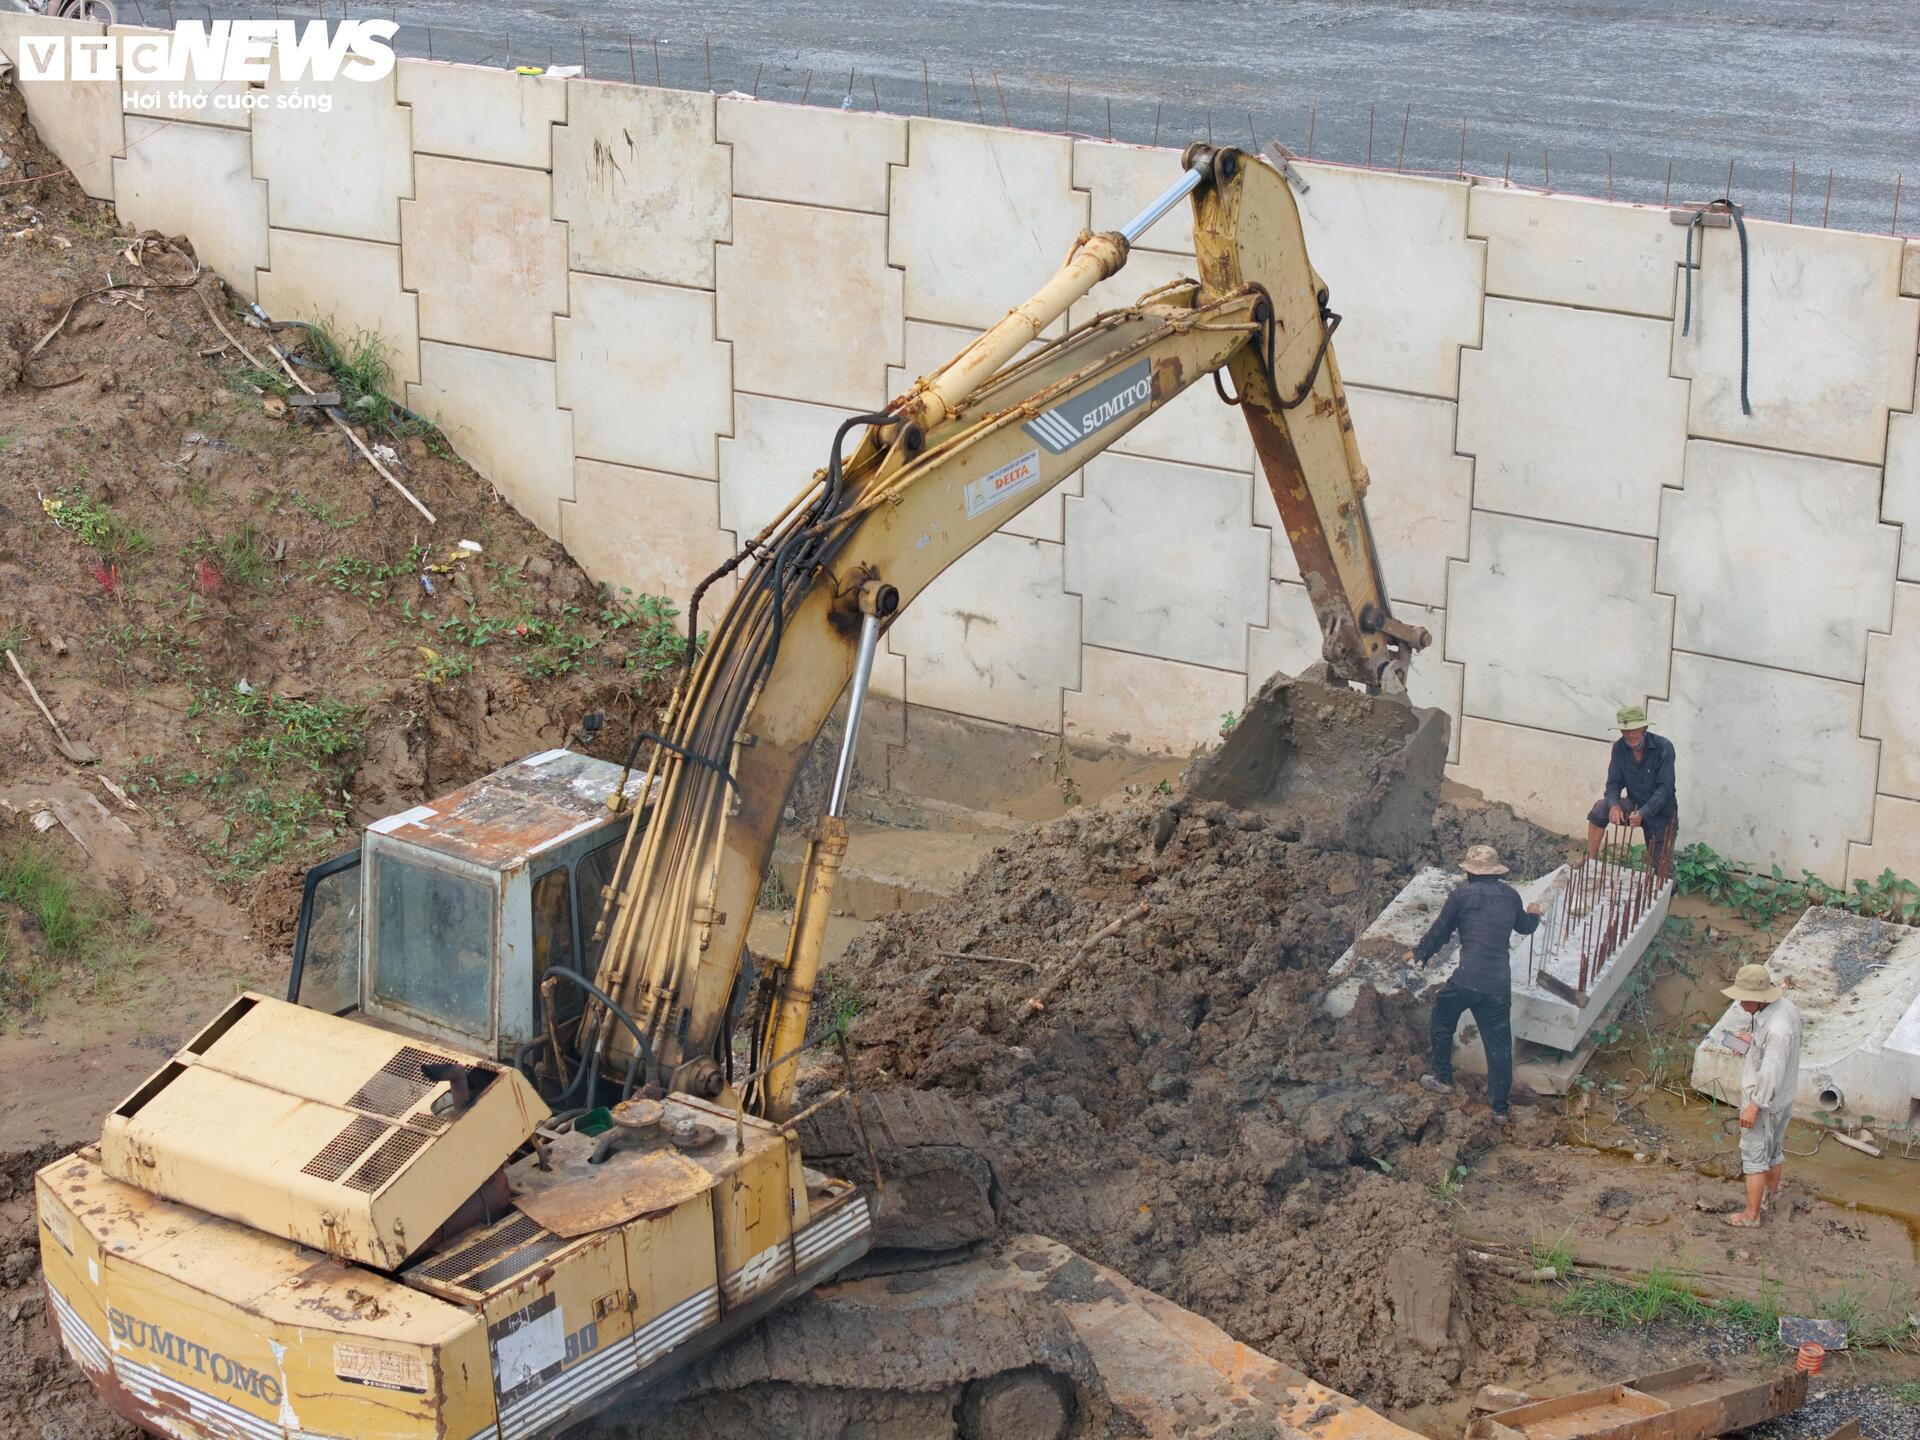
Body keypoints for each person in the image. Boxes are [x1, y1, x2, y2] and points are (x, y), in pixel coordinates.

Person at [1405, 844, 1542, 1123]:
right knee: (1499, 1045)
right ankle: (1500, 1110)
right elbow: (1524, 927)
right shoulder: (1511, 896)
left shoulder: (1461, 896)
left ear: (1469, 872)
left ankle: (1444, 1079)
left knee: (1442, 1019)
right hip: (1498, 985)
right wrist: (1535, 914)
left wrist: (1418, 955)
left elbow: (1440, 932)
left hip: (1467, 980)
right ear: (1495, 873)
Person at [1720, 963, 1803, 1228]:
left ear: (1759, 998)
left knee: (1754, 1157)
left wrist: (1754, 1106)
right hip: (1783, 1097)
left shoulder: (1777, 1030)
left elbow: (1771, 1072)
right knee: (1773, 1150)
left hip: (1765, 1100)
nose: (1741, 1004)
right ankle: (1768, 1198)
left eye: (1745, 999)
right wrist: (1752, 1039)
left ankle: (1751, 1215)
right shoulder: (1785, 1008)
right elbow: (1773, 1055)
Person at [1588, 704, 1678, 878]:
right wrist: (1614, 805)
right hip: (1634, 802)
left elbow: (1665, 788)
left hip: (1661, 812)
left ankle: (1667, 893)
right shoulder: (1619, 748)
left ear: (1644, 727)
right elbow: (1613, 783)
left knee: (1662, 869)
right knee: (1600, 809)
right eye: (1625, 731)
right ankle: (1591, 862)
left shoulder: (1664, 747)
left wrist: (1644, 812)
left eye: (1635, 729)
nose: (1630, 735)